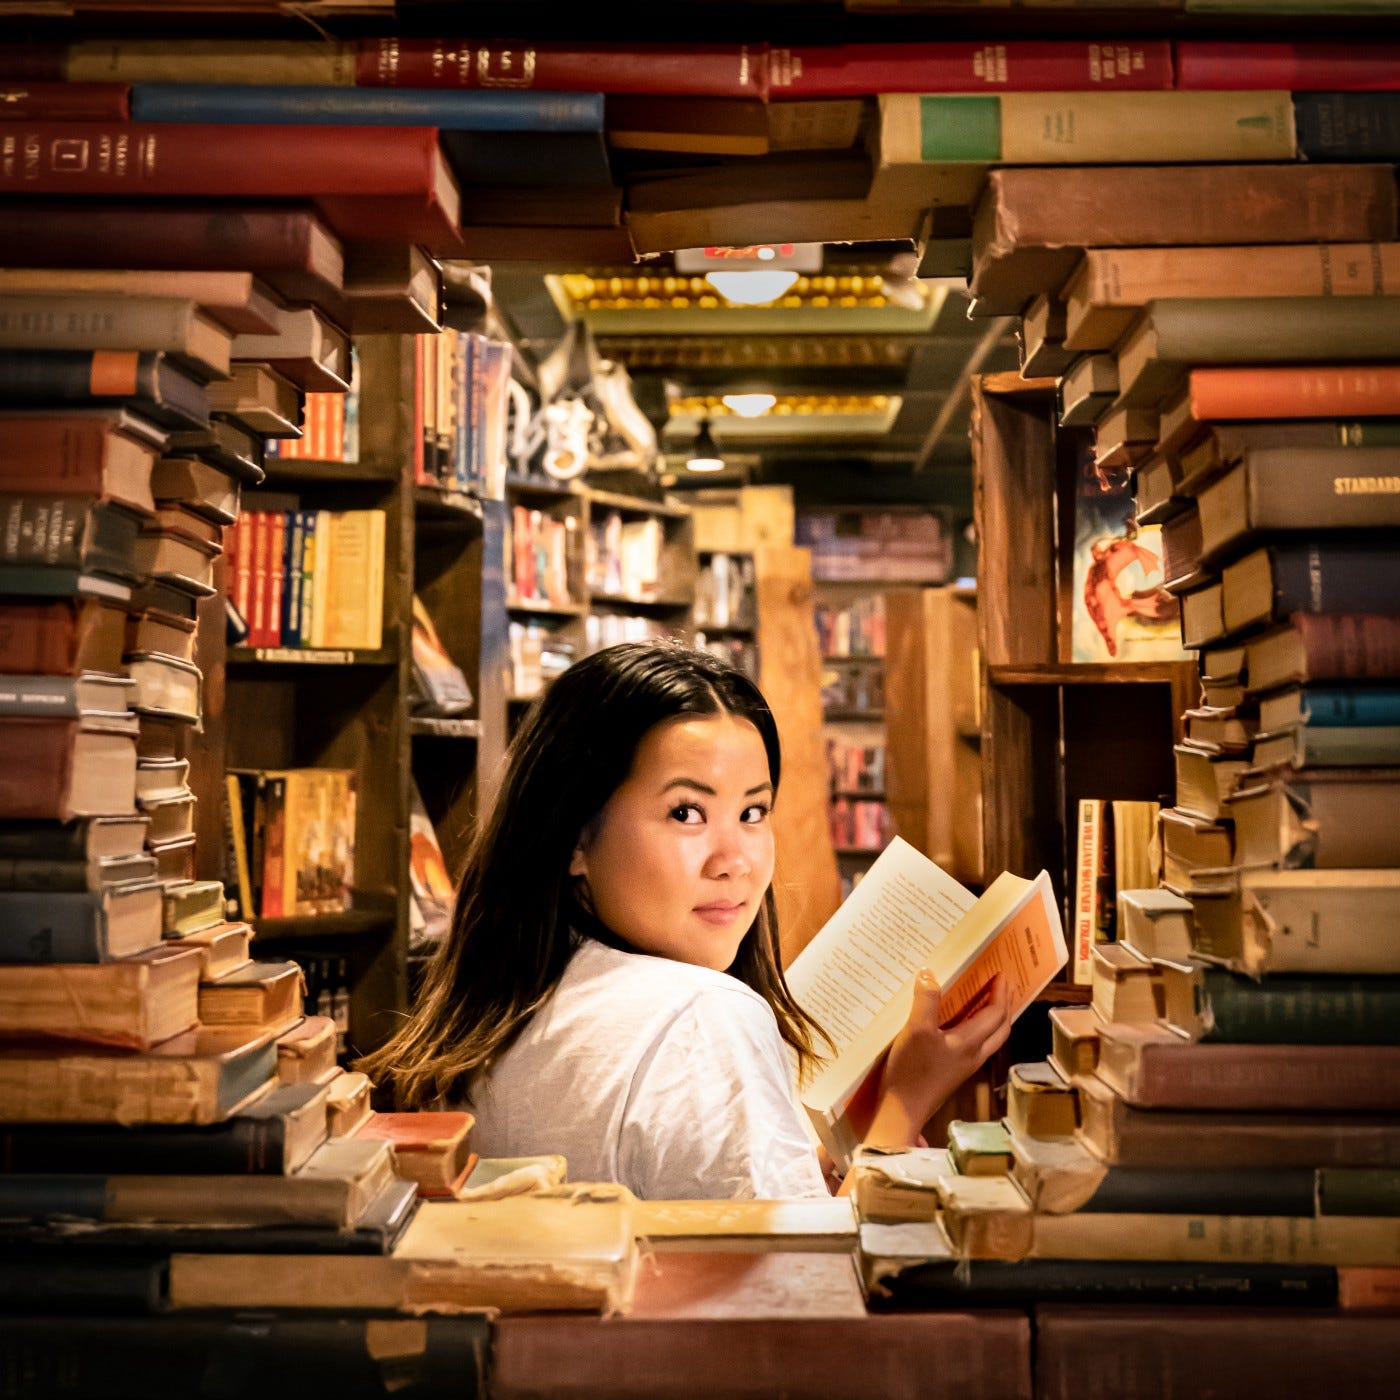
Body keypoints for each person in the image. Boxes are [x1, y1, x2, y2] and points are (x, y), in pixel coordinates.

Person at [359, 641, 1012, 1200]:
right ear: (574, 840)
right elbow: (803, 1291)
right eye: (686, 814)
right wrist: (905, 1103)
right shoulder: (704, 1017)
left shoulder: (498, 1006)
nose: (733, 861)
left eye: (753, 813)